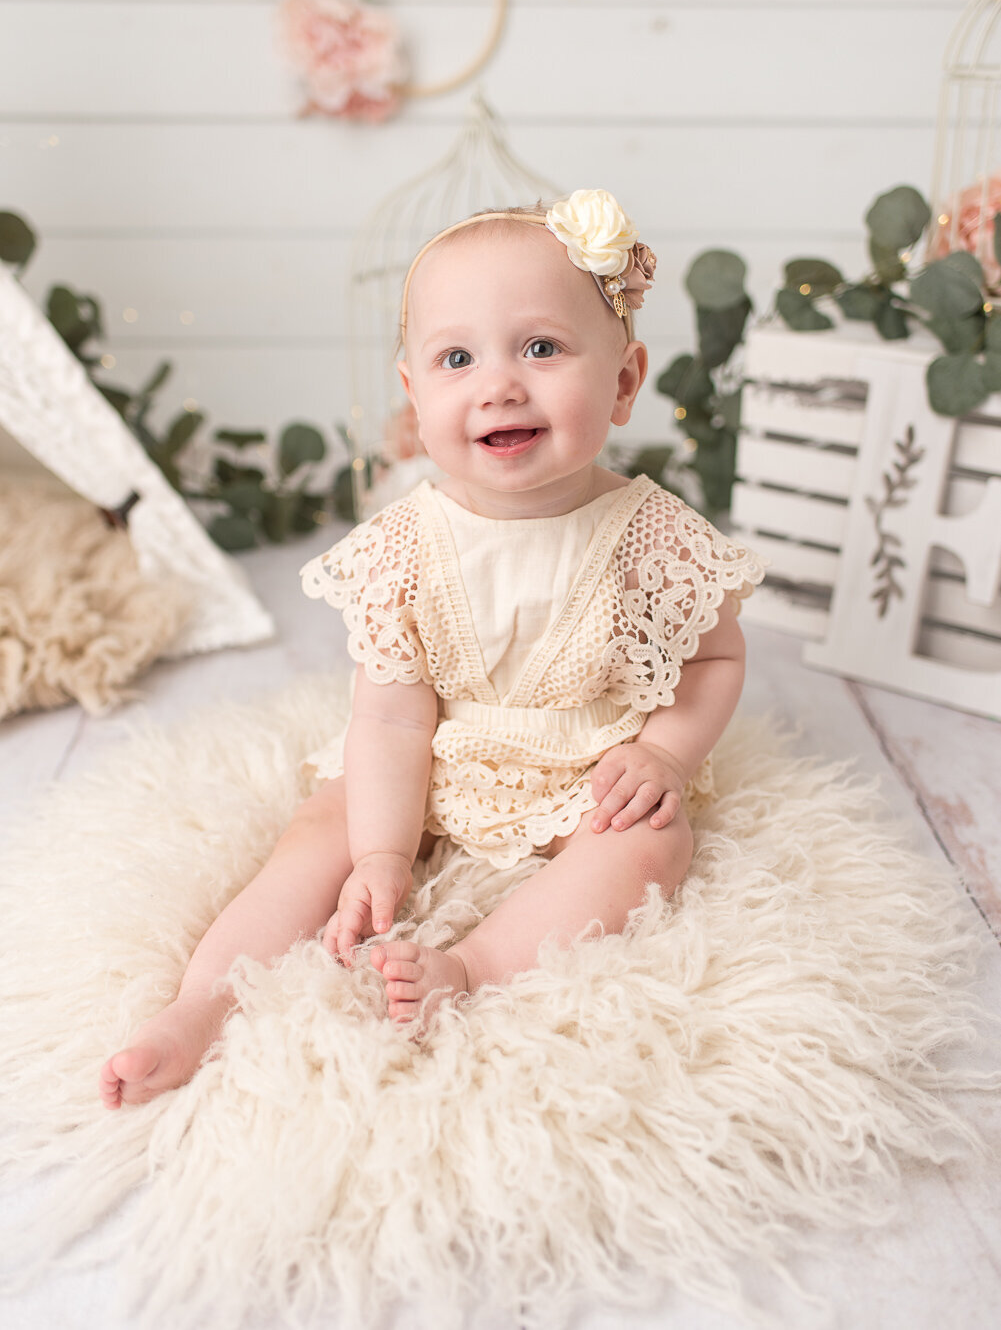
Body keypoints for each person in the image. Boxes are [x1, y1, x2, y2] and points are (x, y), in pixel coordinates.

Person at [100, 188, 765, 1109]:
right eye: (457, 357)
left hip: (586, 758)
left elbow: (711, 662)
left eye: (541, 347)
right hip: (438, 751)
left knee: (650, 844)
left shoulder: (652, 533)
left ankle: (473, 965)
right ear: (415, 396)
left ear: (621, 379)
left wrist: (659, 750)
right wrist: (381, 851)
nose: (499, 384)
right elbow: (389, 712)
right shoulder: (404, 547)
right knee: (320, 830)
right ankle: (200, 1004)